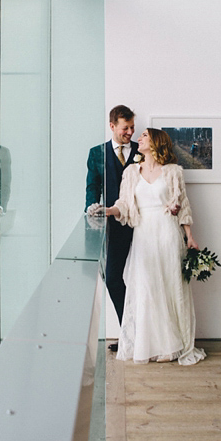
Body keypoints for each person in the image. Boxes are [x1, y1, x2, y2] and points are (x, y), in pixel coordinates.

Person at [100, 128, 206, 366]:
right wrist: (109, 211)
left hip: (167, 232)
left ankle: (171, 348)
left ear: (157, 141)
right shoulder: (131, 172)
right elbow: (124, 204)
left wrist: (189, 237)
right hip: (143, 234)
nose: (139, 138)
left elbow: (183, 204)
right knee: (147, 288)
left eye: (145, 136)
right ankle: (150, 345)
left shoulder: (173, 172)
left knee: (168, 287)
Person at [86, 105, 138, 336]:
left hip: (142, 224)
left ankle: (144, 337)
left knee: (145, 279)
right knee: (114, 279)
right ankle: (129, 334)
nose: (130, 133)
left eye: (132, 127)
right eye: (126, 128)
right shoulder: (97, 153)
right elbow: (92, 186)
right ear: (112, 126)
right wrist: (91, 208)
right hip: (113, 226)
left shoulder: (142, 150)